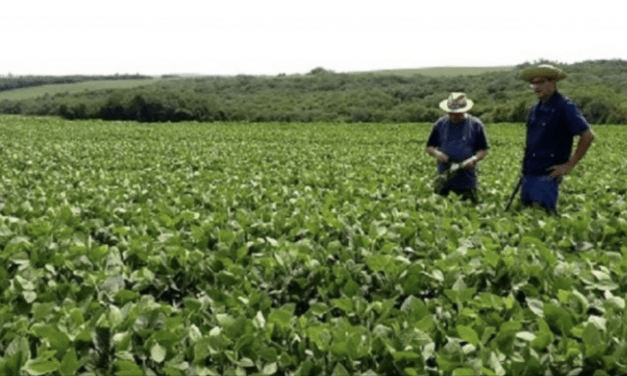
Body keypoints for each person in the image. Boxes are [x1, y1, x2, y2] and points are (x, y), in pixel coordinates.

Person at [519, 64, 595, 212]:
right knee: (526, 219)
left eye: (540, 82)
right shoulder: (535, 109)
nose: (536, 87)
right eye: (533, 83)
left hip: (548, 175)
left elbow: (588, 135)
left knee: (545, 220)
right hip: (529, 173)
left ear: (553, 83)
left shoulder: (565, 106)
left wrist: (569, 165)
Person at [426, 92, 489, 202]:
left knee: (468, 209)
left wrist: (473, 159)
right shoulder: (440, 124)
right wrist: (437, 153)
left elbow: (483, 150)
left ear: (465, 110)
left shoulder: (475, 125)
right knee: (441, 210)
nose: (454, 116)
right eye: (451, 113)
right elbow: (430, 147)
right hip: (444, 176)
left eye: (458, 114)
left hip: (467, 177)